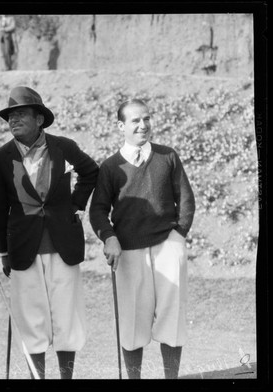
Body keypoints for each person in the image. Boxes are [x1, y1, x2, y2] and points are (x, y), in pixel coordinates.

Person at [0, 86, 99, 379]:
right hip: (22, 249)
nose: (14, 120)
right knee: (30, 320)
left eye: (21, 114)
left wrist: (75, 205)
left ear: (40, 119)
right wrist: (3, 252)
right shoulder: (0, 158)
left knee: (66, 317)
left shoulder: (63, 146)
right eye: (10, 116)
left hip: (64, 245)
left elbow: (91, 172)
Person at [89, 99, 196, 379]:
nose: (143, 125)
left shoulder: (167, 156)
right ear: (120, 126)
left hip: (167, 246)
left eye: (147, 118)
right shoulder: (111, 167)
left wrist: (179, 235)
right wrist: (108, 237)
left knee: (173, 317)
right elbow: (98, 210)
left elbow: (185, 199)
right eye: (135, 120)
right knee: (133, 320)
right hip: (129, 251)